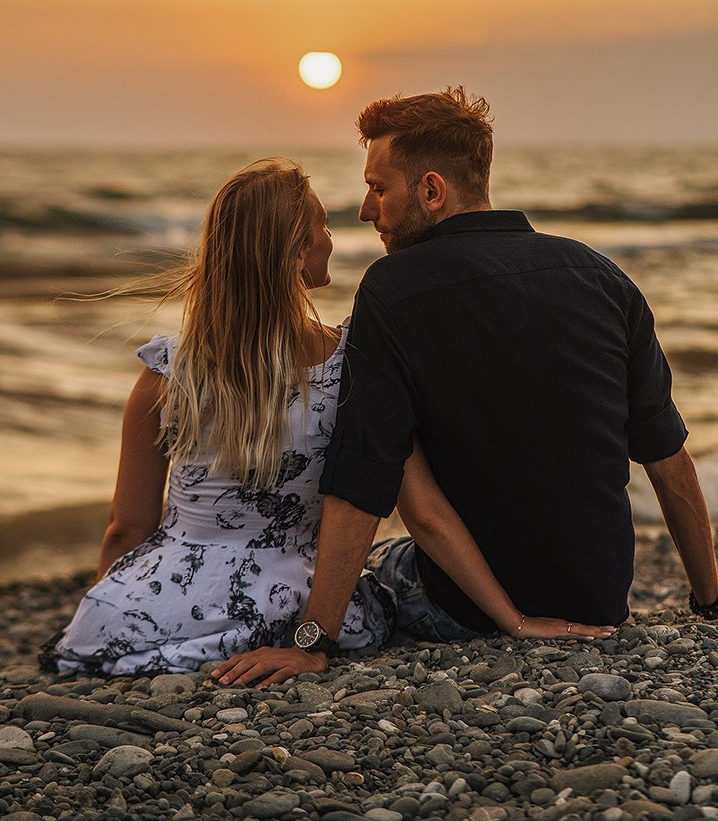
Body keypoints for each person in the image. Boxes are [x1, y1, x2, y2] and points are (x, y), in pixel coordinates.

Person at [212, 89, 718, 688]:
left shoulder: (391, 291)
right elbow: (668, 460)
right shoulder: (601, 276)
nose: (366, 211)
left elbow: (364, 479)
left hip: (462, 610)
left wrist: (313, 644)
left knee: (379, 572)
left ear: (432, 190)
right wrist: (712, 599)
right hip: (597, 604)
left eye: (379, 189)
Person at [47, 158, 607, 677]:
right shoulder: (349, 365)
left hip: (167, 598)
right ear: (295, 252)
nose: (332, 239)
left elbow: (128, 526)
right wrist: (513, 619)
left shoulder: (168, 372)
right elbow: (425, 513)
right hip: (289, 607)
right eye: (322, 225)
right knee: (390, 570)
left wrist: (116, 602)